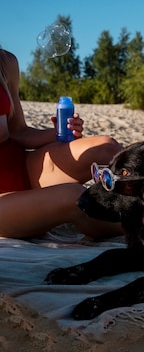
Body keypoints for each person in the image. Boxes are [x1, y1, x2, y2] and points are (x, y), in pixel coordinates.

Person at [0, 47, 123, 239]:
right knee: (76, 198)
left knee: (107, 148)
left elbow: (17, 131)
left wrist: (59, 133)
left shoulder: (5, 61)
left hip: (22, 168)